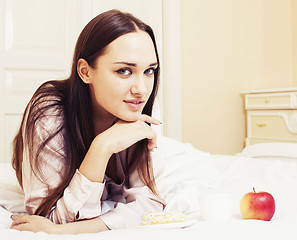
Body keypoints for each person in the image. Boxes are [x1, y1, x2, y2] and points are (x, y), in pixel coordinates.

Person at [10, 9, 166, 234]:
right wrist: (102, 148)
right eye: (124, 71)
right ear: (85, 72)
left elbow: (151, 205)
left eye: (149, 71)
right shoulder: (49, 113)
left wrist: (63, 233)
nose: (141, 89)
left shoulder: (142, 104)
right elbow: (48, 215)